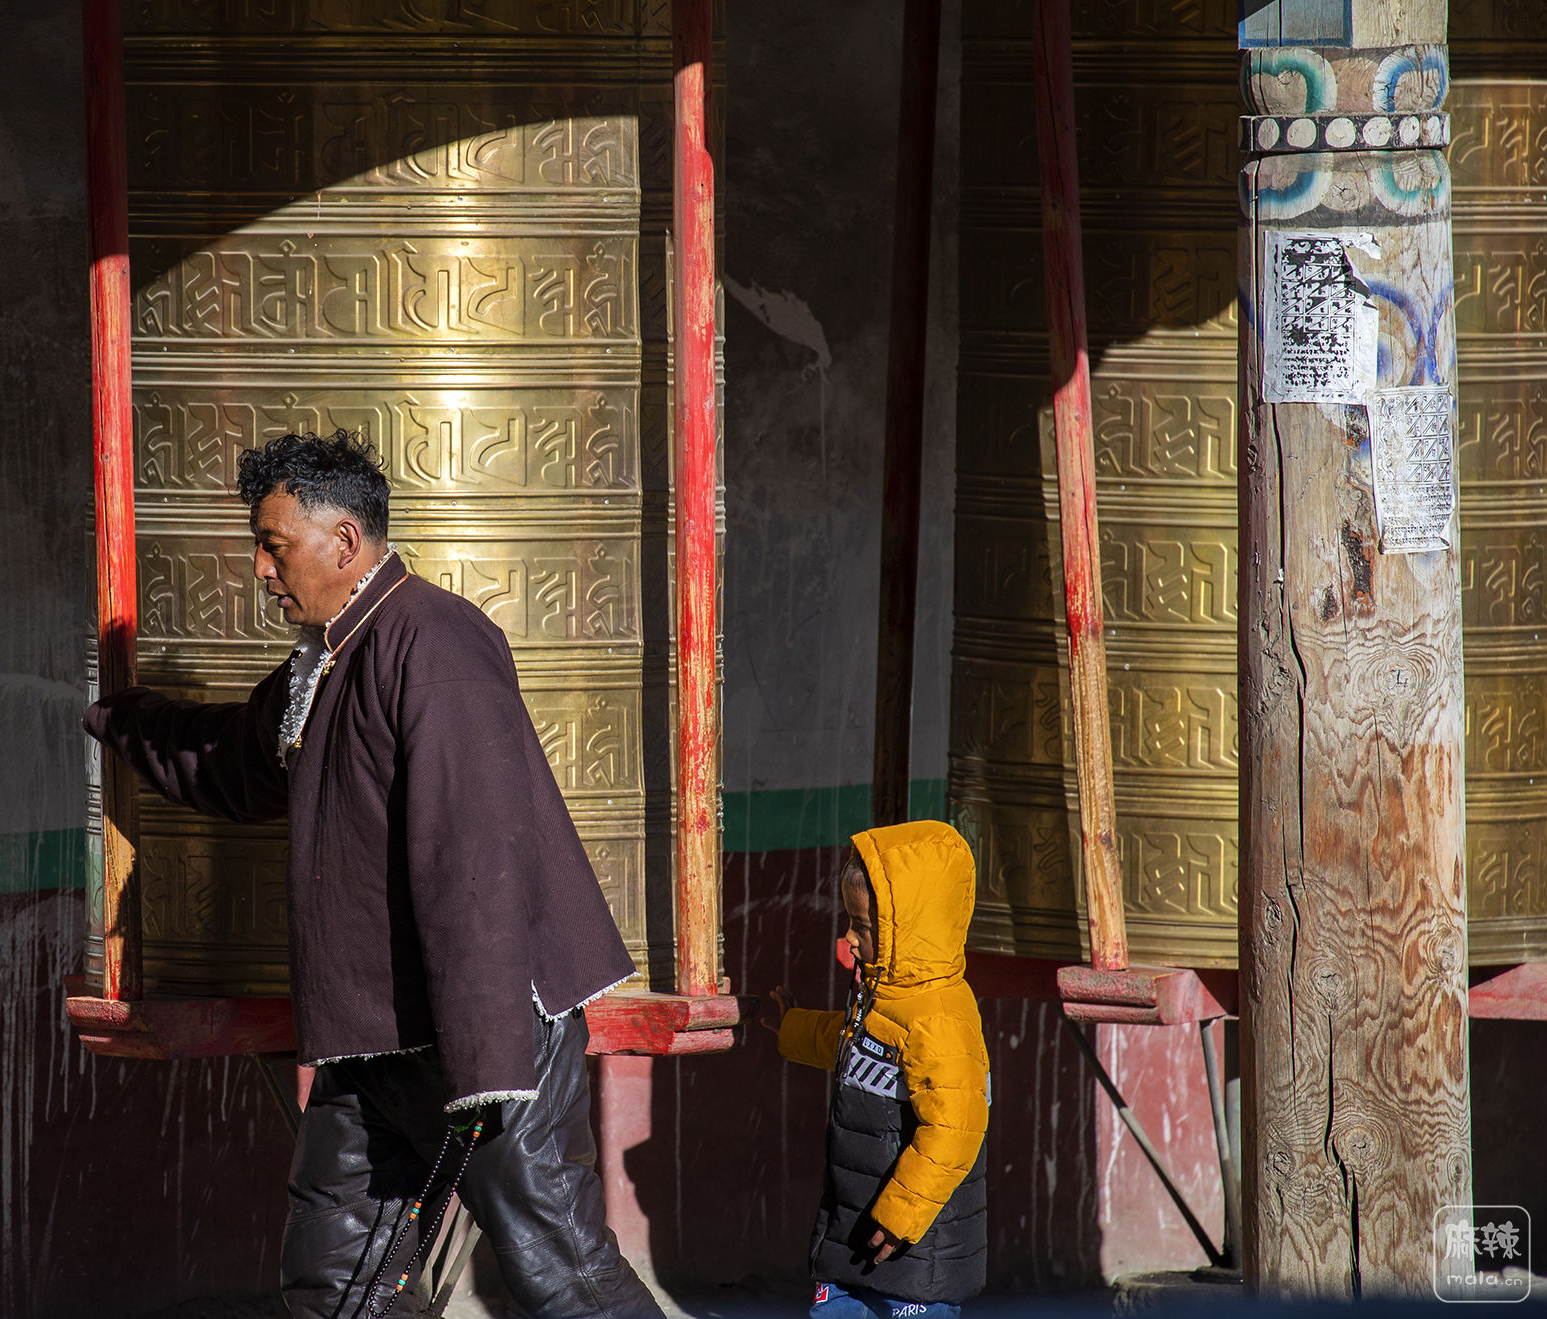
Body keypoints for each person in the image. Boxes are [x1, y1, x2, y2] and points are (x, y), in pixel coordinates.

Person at [83, 430, 664, 1319]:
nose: (259, 569)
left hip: (488, 1034)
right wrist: (124, 721)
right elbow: (237, 763)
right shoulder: (326, 657)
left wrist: (485, 1062)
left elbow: (473, 859)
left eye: (275, 546)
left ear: (344, 541)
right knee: (338, 1284)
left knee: (563, 1274)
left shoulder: (435, 640)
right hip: (373, 1037)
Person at [762, 821, 990, 1319]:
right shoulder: (883, 998)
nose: (849, 939)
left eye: (861, 927)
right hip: (856, 1226)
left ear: (909, 930)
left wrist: (901, 1214)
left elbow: (955, 1129)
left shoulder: (940, 1019)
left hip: (915, 1248)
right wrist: (791, 1028)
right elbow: (851, 1045)